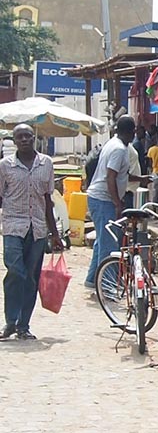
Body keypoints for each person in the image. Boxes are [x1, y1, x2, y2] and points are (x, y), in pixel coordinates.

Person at [0, 124, 62, 340]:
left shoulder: (46, 164)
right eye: (20, 137)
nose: (25, 139)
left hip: (37, 229)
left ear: (33, 138)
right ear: (14, 140)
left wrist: (55, 234)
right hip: (12, 226)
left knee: (31, 278)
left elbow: (48, 200)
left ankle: (23, 326)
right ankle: (10, 321)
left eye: (28, 136)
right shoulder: (5, 166)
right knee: (16, 272)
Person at [85, 116, 150, 288]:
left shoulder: (114, 143)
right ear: (131, 132)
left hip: (99, 198)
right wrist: (117, 204)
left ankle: (93, 279)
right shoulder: (119, 149)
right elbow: (110, 177)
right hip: (103, 199)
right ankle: (108, 287)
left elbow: (121, 174)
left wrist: (140, 178)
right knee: (109, 245)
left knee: (102, 241)